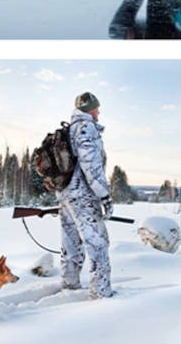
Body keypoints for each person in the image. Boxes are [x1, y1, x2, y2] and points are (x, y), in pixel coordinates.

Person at [57, 92, 113, 299]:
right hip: (83, 195)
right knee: (98, 243)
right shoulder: (86, 128)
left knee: (70, 242)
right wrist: (104, 195)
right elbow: (91, 165)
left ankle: (69, 285)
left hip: (65, 195)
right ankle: (101, 291)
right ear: (90, 109)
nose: (99, 112)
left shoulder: (70, 129)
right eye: (97, 108)